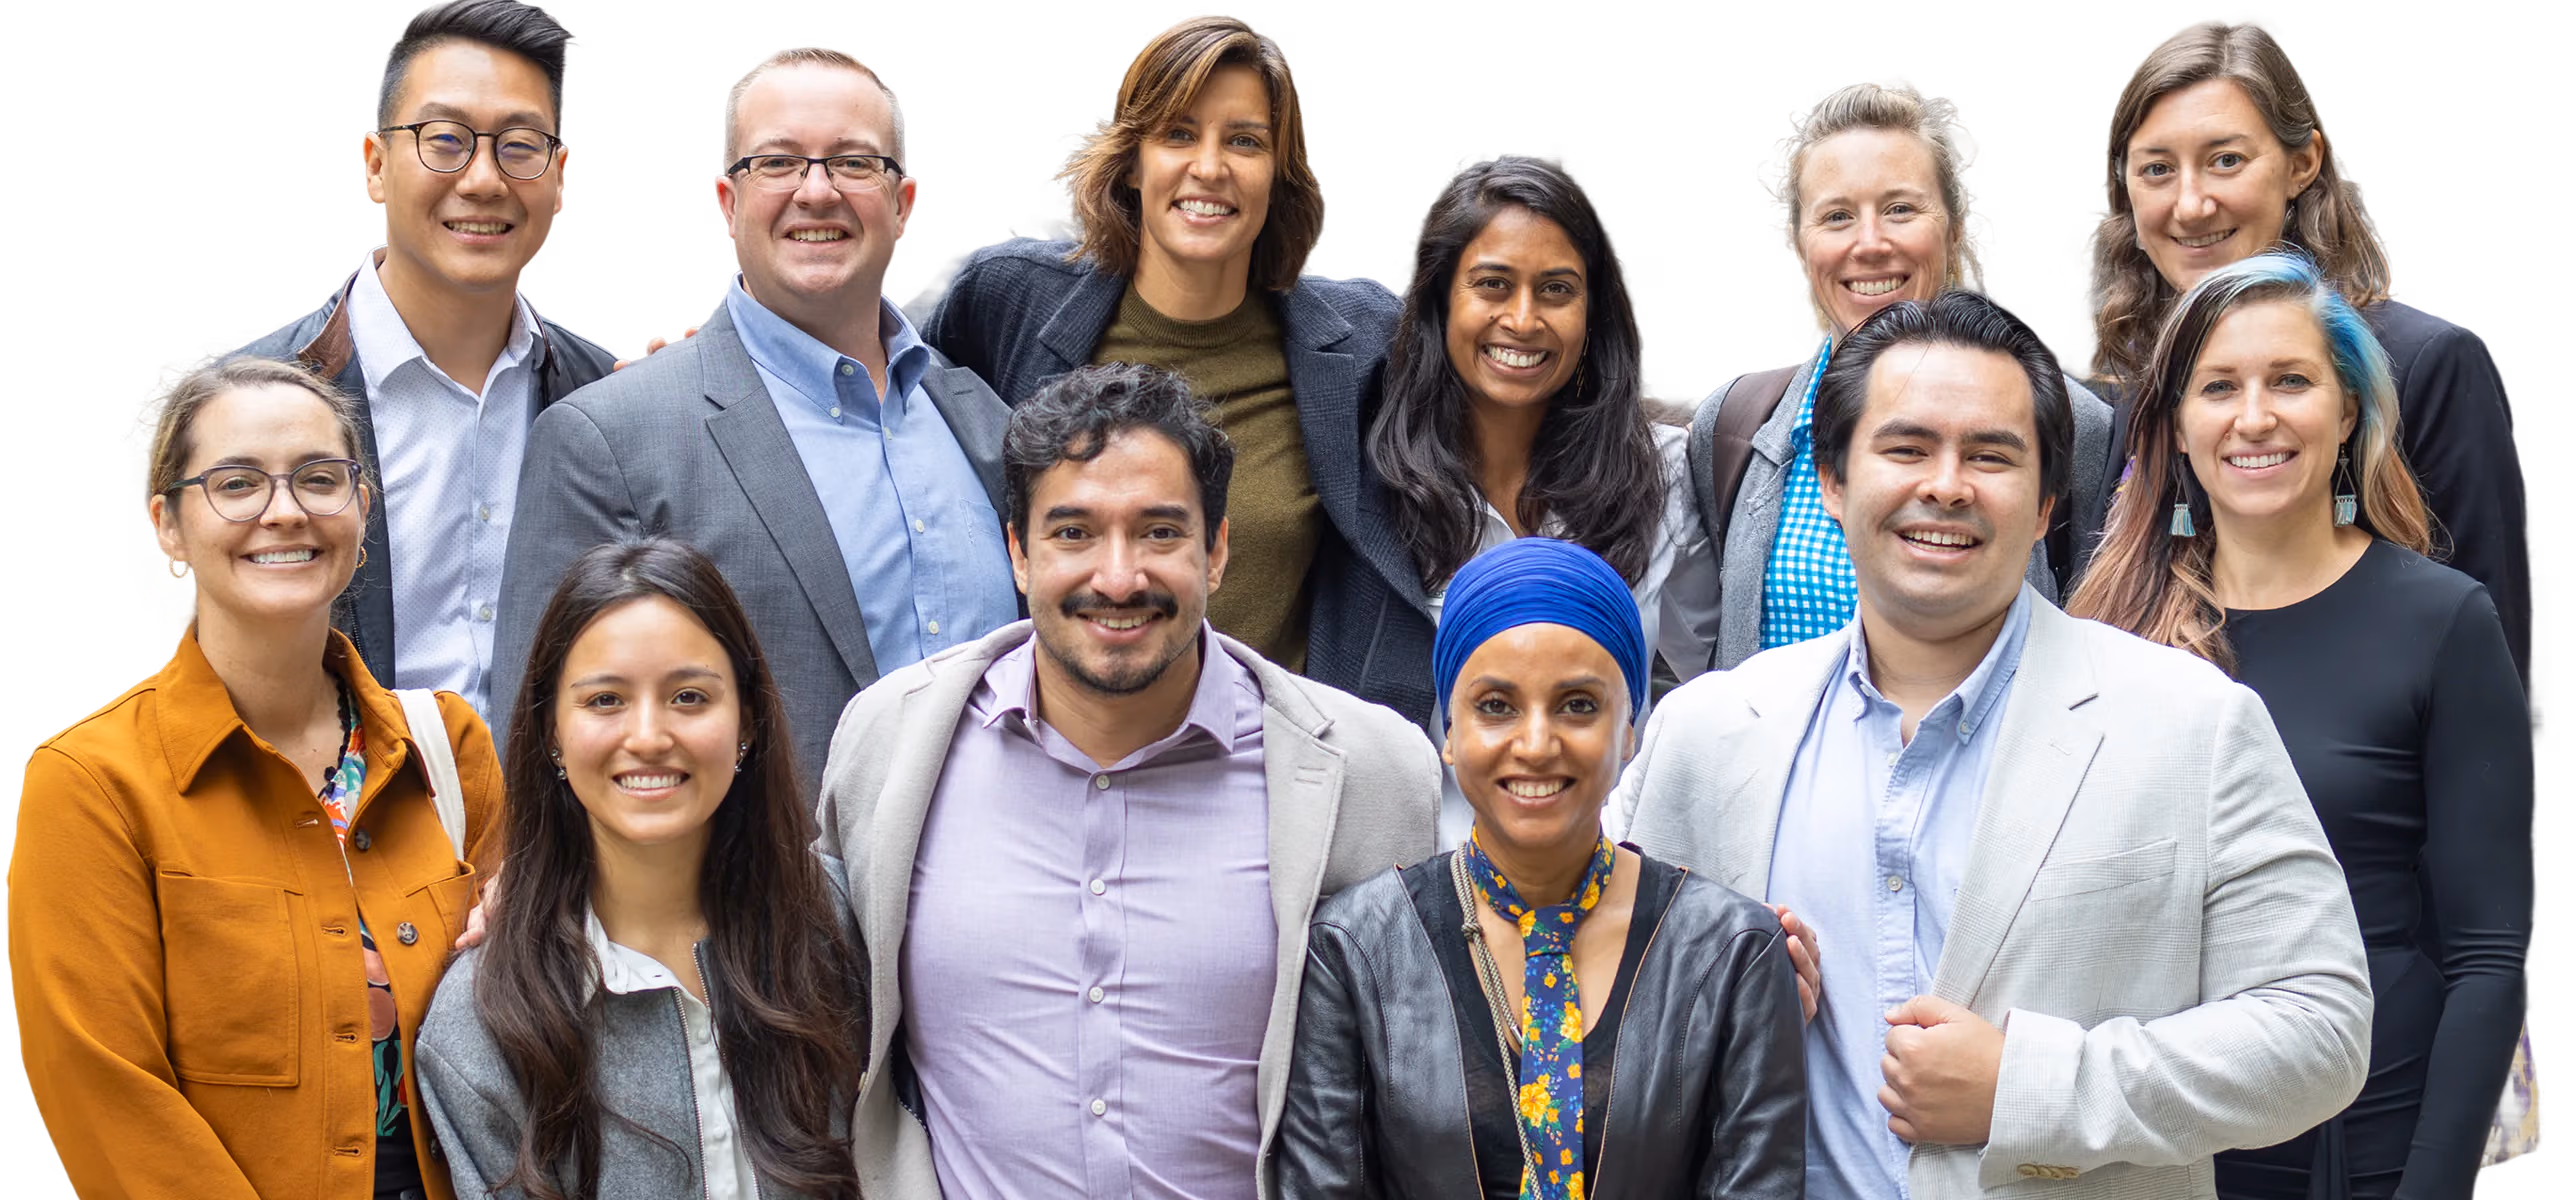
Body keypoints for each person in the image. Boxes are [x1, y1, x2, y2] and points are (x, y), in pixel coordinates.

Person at [1618, 290, 2372, 1198]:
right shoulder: (1706, 735)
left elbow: (2320, 1030)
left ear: (2049, 498)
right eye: (1905, 448)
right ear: (1833, 480)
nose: (1946, 484)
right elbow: (1566, 981)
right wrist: (1709, 1000)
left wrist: (2027, 1087)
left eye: (1991, 455)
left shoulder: (2192, 724)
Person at [813, 362, 1439, 1198]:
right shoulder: (891, 743)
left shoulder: (1370, 772)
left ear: (1217, 550)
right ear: (1018, 553)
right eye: (1073, 533)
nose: (1118, 577)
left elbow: (1414, 1090)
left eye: (1160, 532)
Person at [2070, 253, 2534, 1199]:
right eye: (2219, 387)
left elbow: (2490, 952)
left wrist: (2431, 1186)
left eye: (2290, 381)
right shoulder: (2102, 634)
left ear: (2349, 409)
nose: (2254, 417)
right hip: (2149, 1131)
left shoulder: (2442, 621)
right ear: (2176, 428)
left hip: (2362, 1138)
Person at [15, 350, 499, 1200]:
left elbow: (538, 1026)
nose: (284, 512)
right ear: (163, 522)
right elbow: (108, 1096)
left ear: (361, 505)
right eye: (236, 484)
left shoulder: (450, 749)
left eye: (318, 477)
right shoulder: (91, 784)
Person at [493, 45, 1016, 791]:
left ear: (903, 206)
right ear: (726, 203)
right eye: (776, 163)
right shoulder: (606, 441)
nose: (816, 192)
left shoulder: (985, 423)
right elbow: (541, 747)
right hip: (745, 905)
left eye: (853, 163)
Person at [909, 13, 1440, 725]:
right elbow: (878, 391)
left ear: (1279, 174)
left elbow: (1500, 375)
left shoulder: (1360, 339)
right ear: (1133, 159)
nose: (1210, 167)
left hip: (1262, 772)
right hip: (1046, 750)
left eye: (1244, 141)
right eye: (1179, 134)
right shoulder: (1010, 298)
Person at [1278, 535, 1807, 1199]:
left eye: (1578, 705)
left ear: (1630, 731)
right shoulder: (1356, 949)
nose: (1535, 744)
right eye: (1495, 706)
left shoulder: (1733, 952)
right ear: (1449, 731)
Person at [2073, 11, 2540, 737]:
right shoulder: (2132, 384)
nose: (2191, 203)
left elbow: (2495, 697)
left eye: (2226, 160)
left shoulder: (2428, 364)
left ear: (2303, 162)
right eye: (2157, 169)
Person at [416, 538, 868, 1199]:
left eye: (689, 697)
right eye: (605, 701)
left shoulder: (841, 930)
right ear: (551, 733)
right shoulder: (485, 1024)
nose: (650, 735)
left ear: (746, 721)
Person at [231, 0, 613, 714]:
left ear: (559, 177)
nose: (483, 180)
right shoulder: (250, 399)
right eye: (445, 140)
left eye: (520, 146)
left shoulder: (610, 399)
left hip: (550, 823)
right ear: (376, 165)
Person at [1684, 77, 2113, 673]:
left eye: (1900, 209)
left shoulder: (2073, 423)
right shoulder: (1733, 427)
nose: (1870, 243)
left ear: (1955, 224)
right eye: (1836, 216)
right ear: (1798, 242)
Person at [1367, 149, 1715, 846]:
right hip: (1424, 889)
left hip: (1610, 886)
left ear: (1593, 308)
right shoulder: (1372, 474)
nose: (1523, 320)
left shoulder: (1663, 472)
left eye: (1556, 290)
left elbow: (1721, 690)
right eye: (1493, 285)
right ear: (1440, 299)